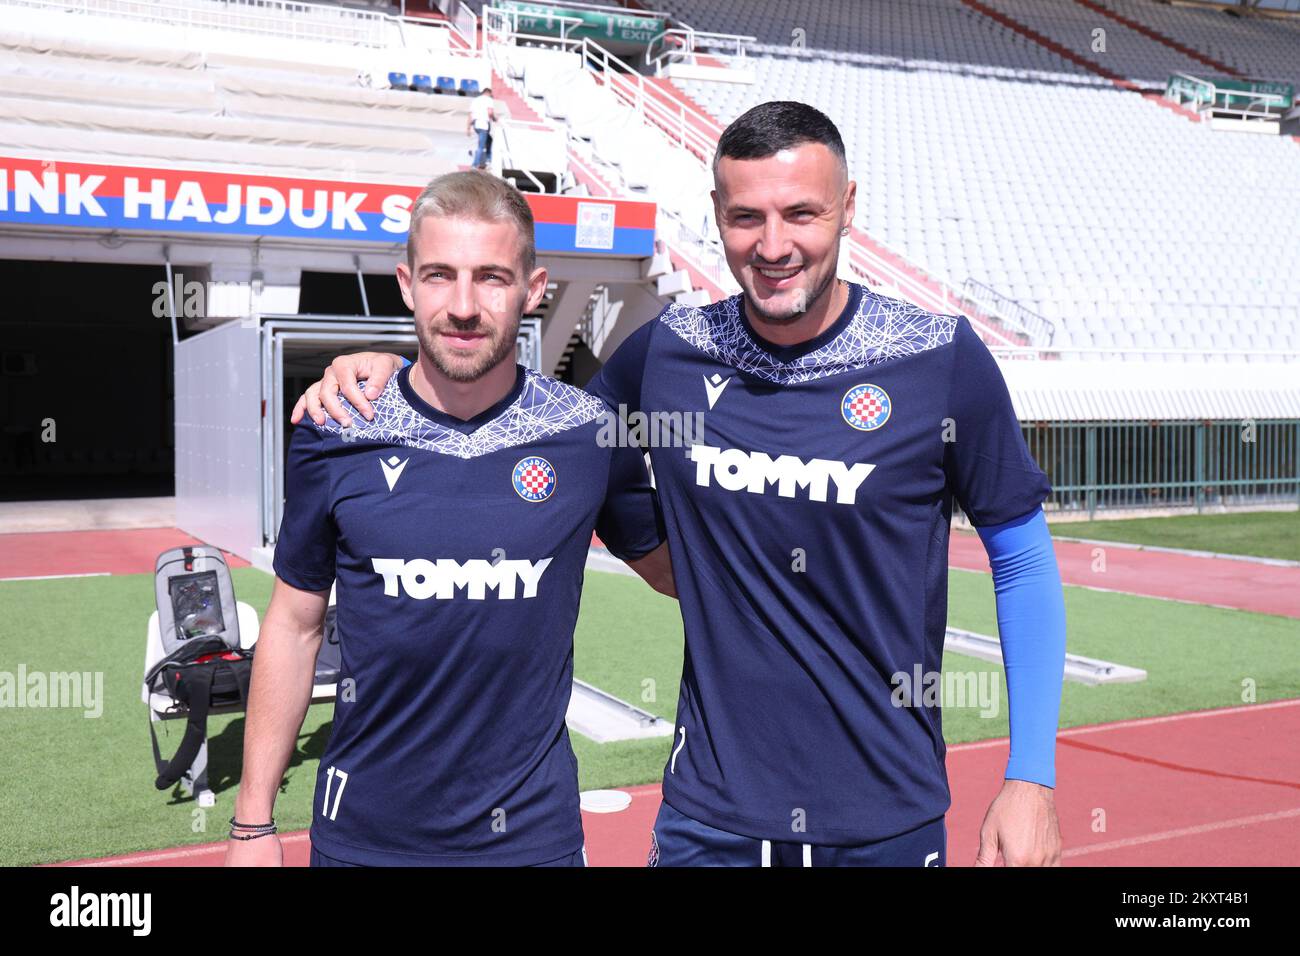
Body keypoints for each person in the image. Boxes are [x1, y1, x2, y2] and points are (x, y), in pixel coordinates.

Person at [292, 101, 1068, 867]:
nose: (773, 245)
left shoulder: (938, 359)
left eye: (801, 213)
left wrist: (1030, 775)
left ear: (848, 208)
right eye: (745, 218)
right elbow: (522, 422)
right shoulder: (667, 355)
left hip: (886, 819)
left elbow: (1023, 559)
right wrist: (397, 376)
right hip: (712, 818)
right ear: (716, 215)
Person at [225, 170, 671, 867]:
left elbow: (682, 572)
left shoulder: (589, 434)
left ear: (535, 288)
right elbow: (293, 622)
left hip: (531, 843)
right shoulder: (337, 425)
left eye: (492, 277)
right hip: (364, 841)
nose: (463, 306)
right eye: (440, 276)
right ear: (407, 284)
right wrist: (253, 826)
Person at [468, 87, 495, 171]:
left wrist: (468, 128)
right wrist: (494, 118)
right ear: (489, 93)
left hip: (476, 124)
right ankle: (475, 164)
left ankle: (487, 160)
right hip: (483, 124)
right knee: (481, 146)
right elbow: (490, 112)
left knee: (489, 140)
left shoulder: (475, 100)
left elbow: (470, 115)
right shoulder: (488, 100)